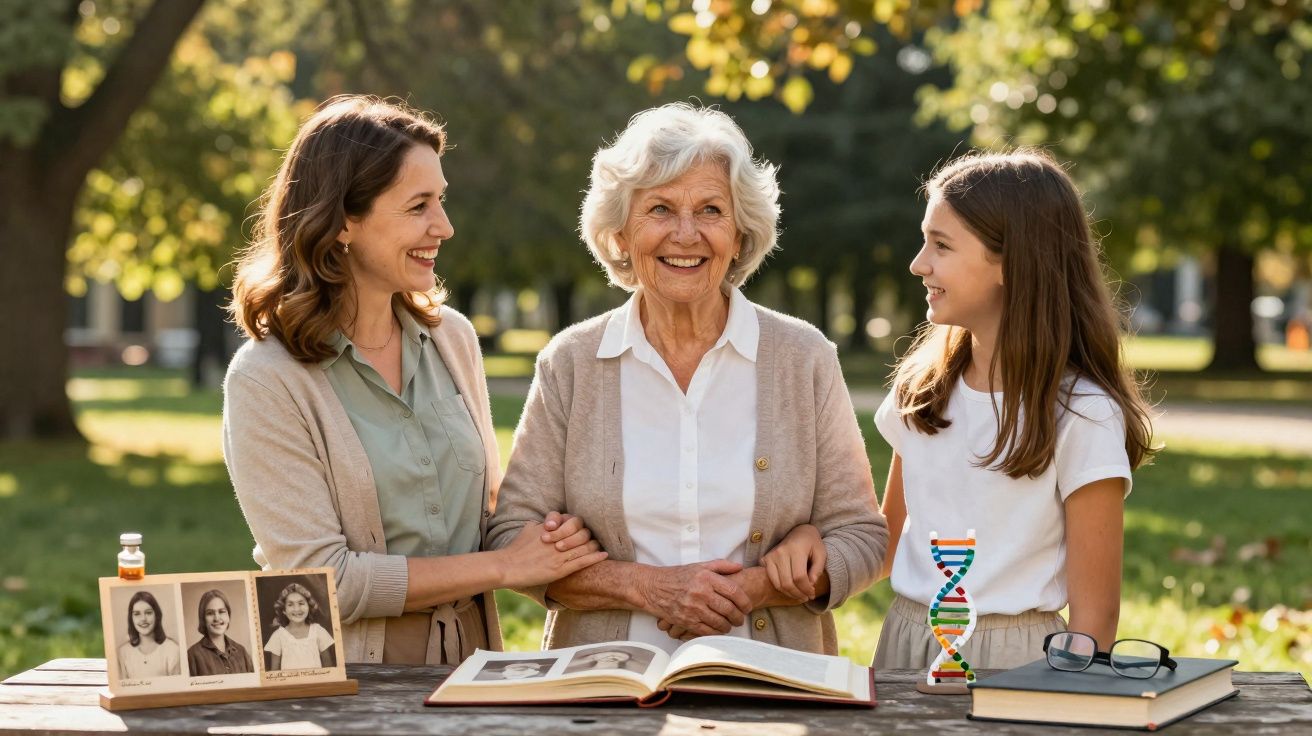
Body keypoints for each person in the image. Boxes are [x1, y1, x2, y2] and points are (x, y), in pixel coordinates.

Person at [487, 103, 888, 656]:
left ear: (741, 233)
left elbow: (862, 539)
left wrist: (767, 582)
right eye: (659, 209)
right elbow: (511, 538)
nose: (686, 233)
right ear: (621, 233)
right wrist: (648, 588)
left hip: (772, 686)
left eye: (710, 210)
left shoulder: (803, 357)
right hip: (607, 688)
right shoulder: (571, 362)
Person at [224, 95, 607, 666]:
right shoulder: (267, 378)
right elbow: (319, 579)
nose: (444, 226)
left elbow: (485, 513)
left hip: (475, 666)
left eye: (442, 201)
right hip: (350, 682)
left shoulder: (452, 339)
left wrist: (549, 538)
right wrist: (504, 567)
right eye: (418, 206)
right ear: (344, 221)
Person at [871, 149, 1156, 671]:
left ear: (1011, 260)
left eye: (941, 245)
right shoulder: (922, 392)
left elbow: (1096, 617)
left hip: (1020, 659)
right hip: (907, 644)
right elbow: (882, 544)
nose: (919, 263)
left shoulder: (1083, 414)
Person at [264, 583, 336, 670]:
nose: (297, 609)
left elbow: (329, 669)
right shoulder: (278, 636)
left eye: (301, 603)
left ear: (308, 606)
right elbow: (274, 674)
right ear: (284, 610)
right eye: (290, 604)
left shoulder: (318, 631)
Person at [186, 589, 254, 676]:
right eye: (210, 613)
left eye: (222, 612)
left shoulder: (241, 651)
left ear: (228, 616)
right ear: (203, 618)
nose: (217, 618)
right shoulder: (192, 655)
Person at [117, 591, 181, 679]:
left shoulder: (173, 649)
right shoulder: (123, 652)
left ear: (157, 615)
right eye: (137, 614)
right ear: (131, 618)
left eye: (148, 613)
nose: (143, 619)